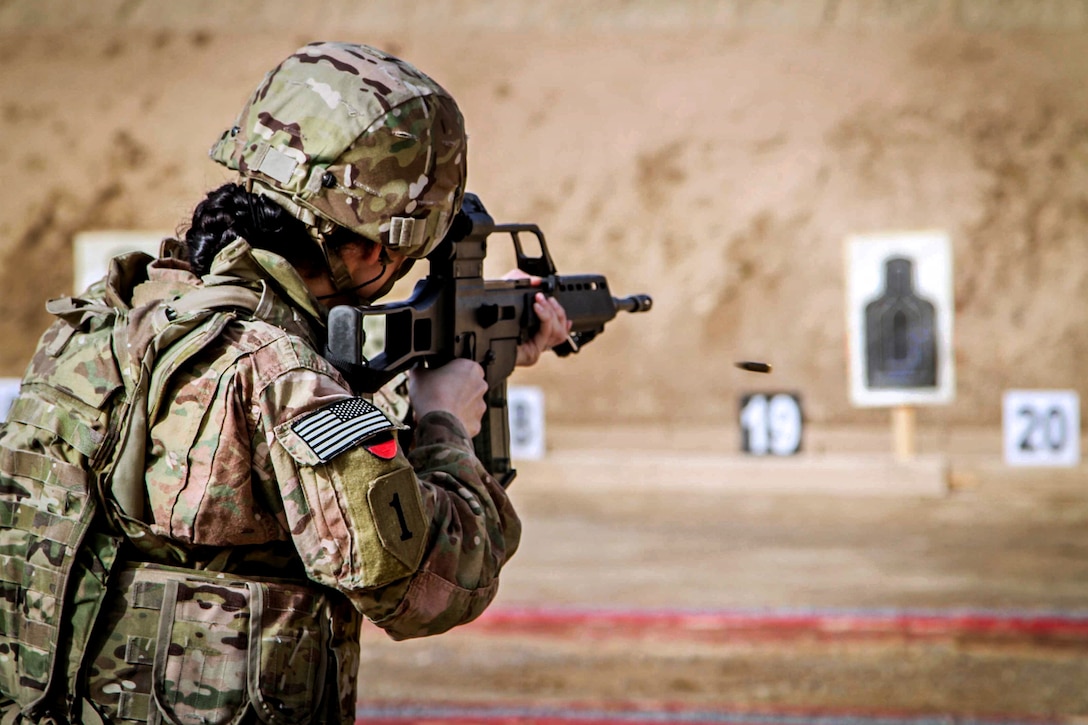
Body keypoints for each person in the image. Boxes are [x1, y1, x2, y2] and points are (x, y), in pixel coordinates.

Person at [0, 41, 569, 725]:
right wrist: (445, 425)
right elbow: (427, 584)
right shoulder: (281, 374)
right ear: (371, 248)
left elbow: (263, 463)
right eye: (402, 258)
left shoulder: (112, 315)